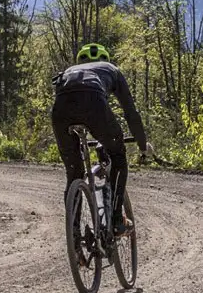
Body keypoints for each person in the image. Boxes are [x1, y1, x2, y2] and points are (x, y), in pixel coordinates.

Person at [51, 43, 153, 236]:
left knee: (74, 172)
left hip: (61, 109)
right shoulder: (112, 69)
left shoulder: (69, 71)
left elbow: (68, 101)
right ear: (105, 60)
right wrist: (142, 145)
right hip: (94, 104)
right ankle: (116, 221)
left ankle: (74, 239)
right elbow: (131, 113)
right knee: (118, 156)